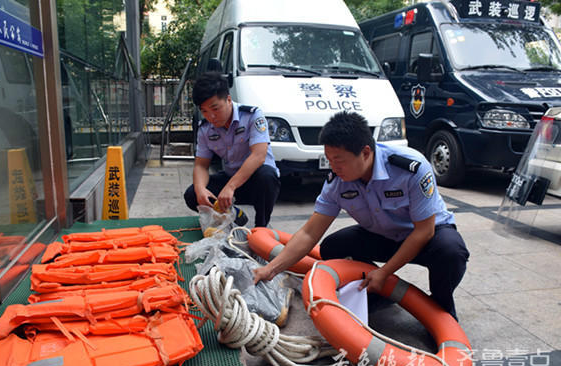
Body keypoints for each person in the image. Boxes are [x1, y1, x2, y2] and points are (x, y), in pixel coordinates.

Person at [253, 111, 469, 320]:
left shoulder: (411, 168)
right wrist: (270, 269)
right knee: (333, 247)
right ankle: (379, 294)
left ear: (365, 152)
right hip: (384, 235)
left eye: (340, 160)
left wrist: (385, 272)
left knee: (451, 252)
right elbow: (309, 233)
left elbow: (424, 231)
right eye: (329, 159)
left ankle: (442, 309)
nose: (334, 167)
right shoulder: (336, 182)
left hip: (425, 237)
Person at [183, 72, 280, 227]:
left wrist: (230, 187)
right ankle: (234, 214)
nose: (211, 116)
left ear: (228, 99)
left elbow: (259, 156)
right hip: (231, 176)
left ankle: (261, 228)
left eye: (215, 108)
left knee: (267, 177)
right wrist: (200, 189)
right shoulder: (205, 129)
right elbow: (201, 165)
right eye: (205, 111)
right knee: (192, 194)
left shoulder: (252, 115)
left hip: (256, 181)